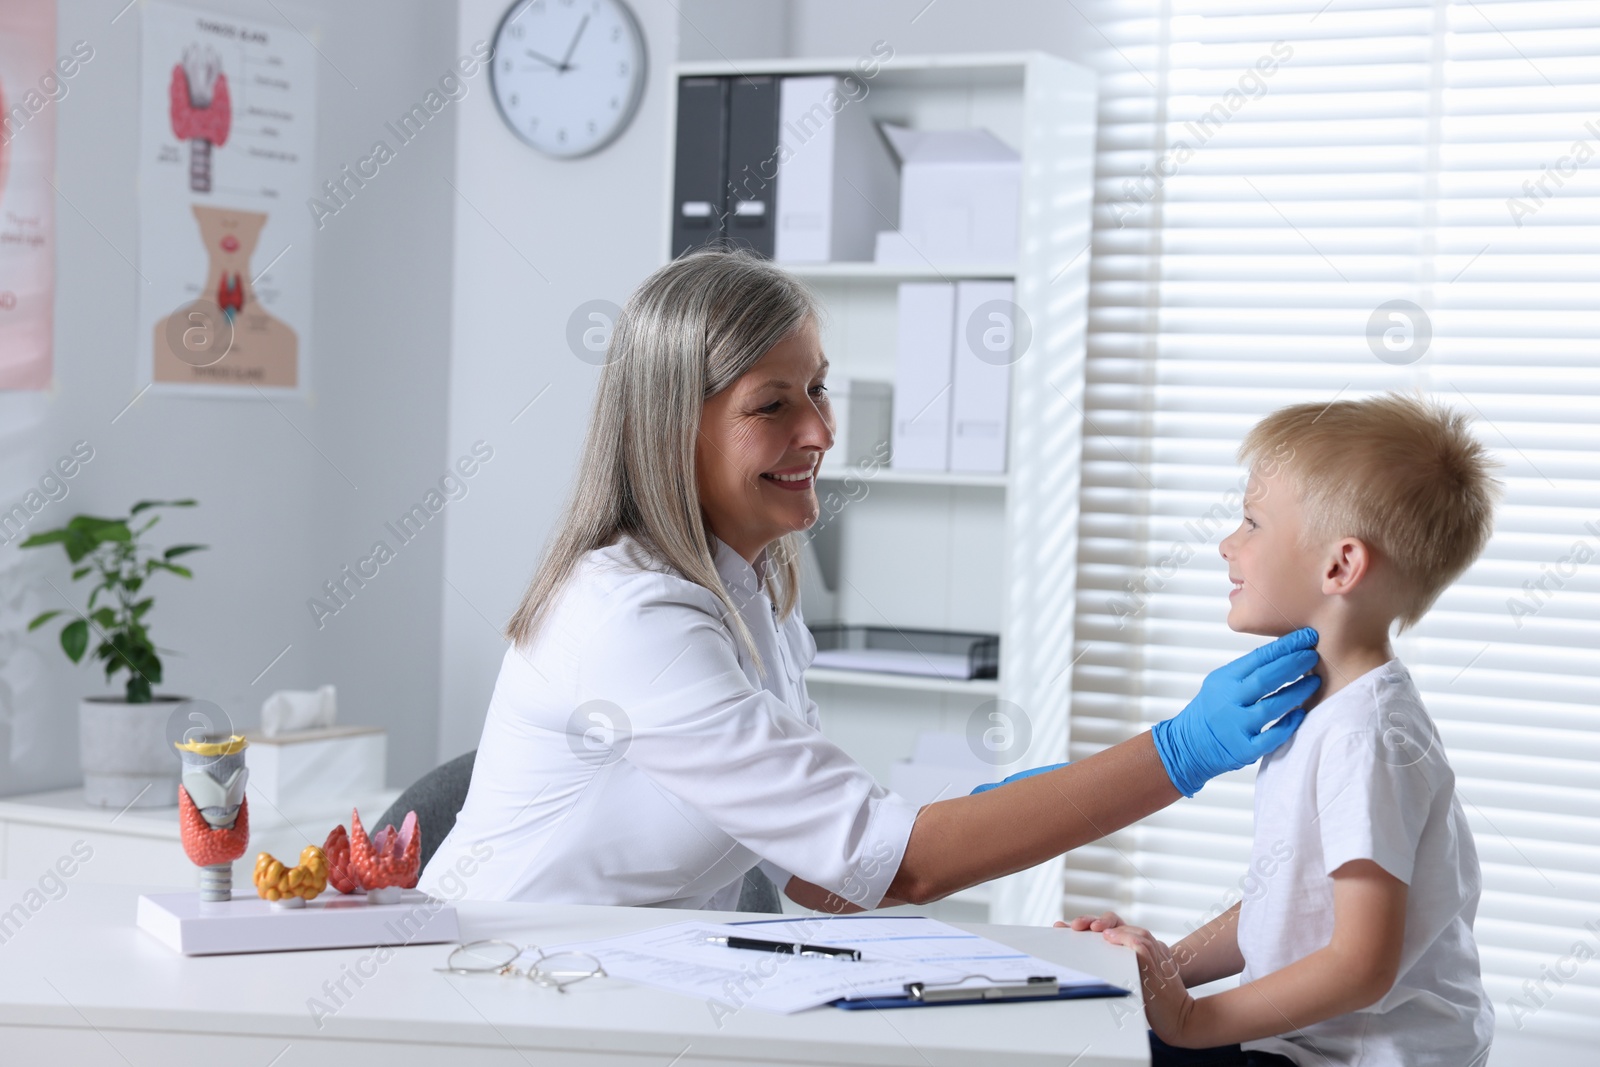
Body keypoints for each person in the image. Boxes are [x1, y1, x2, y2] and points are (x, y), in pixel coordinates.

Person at [419, 248, 1321, 913]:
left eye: (819, 387)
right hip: (488, 1003)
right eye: (772, 404)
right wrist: (1178, 752)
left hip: (611, 994)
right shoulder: (631, 618)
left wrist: (1009, 810)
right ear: (670, 428)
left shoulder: (752, 596)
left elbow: (824, 876)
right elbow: (886, 865)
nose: (818, 430)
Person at [1063, 394, 1499, 1066]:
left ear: (1340, 567)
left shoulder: (1367, 738)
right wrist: (1155, 970)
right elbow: (1293, 907)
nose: (1226, 543)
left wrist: (1186, 1018)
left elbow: (1360, 965)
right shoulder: (1330, 709)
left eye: (1251, 522)